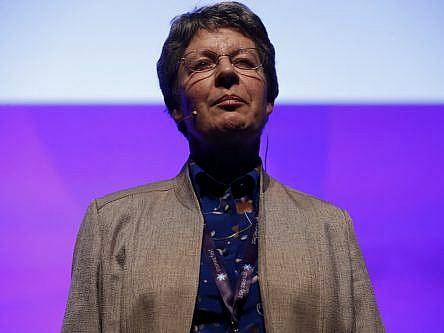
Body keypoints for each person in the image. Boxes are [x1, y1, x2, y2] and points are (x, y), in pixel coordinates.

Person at [62, 2, 384, 332]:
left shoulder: (328, 227)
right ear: (176, 106)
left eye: (244, 61)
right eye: (203, 64)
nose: (227, 73)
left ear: (269, 98)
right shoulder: (112, 224)